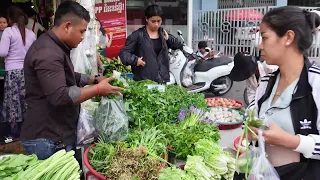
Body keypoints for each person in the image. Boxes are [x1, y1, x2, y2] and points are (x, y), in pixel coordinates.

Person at [20, 1, 123, 160]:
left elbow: (65, 75)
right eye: (81, 31)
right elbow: (60, 95)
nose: (83, 37)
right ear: (67, 26)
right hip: (46, 139)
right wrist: (98, 90)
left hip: (56, 133)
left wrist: (94, 79)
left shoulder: (55, 46)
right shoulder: (47, 52)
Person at [239, 6, 320, 180]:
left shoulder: (316, 83)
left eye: (264, 37)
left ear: (288, 38)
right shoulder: (267, 81)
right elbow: (253, 115)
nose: (260, 46)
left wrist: (290, 141)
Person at [119, 5, 182, 83]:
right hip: (144, 81)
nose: (156, 24)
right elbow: (124, 53)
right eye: (153, 21)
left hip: (162, 79)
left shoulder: (163, 34)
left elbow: (178, 45)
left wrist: (169, 39)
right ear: (146, 19)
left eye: (158, 21)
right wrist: (135, 60)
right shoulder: (138, 35)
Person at [0, 6, 36, 138]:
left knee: (14, 102)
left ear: (10, 19)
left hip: (13, 72)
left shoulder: (8, 32)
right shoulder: (31, 33)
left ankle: (15, 133)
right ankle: (29, 129)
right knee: (27, 100)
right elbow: (34, 54)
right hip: (27, 72)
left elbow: (3, 52)